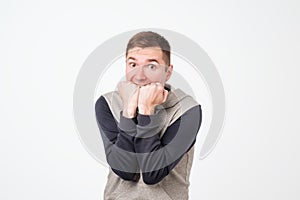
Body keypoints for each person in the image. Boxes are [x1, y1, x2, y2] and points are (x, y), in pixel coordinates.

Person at [95, 31, 202, 200]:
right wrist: (128, 112)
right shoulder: (107, 104)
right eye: (133, 65)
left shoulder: (187, 110)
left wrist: (146, 110)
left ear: (168, 72)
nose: (139, 76)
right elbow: (125, 170)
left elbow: (153, 173)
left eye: (151, 66)